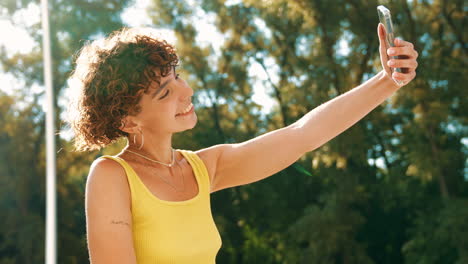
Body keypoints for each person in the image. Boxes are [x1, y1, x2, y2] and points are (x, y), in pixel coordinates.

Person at [66, 23, 418, 263]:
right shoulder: (112, 175)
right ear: (128, 120)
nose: (186, 92)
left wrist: (387, 81)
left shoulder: (204, 169)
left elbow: (302, 135)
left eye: (178, 78)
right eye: (165, 93)